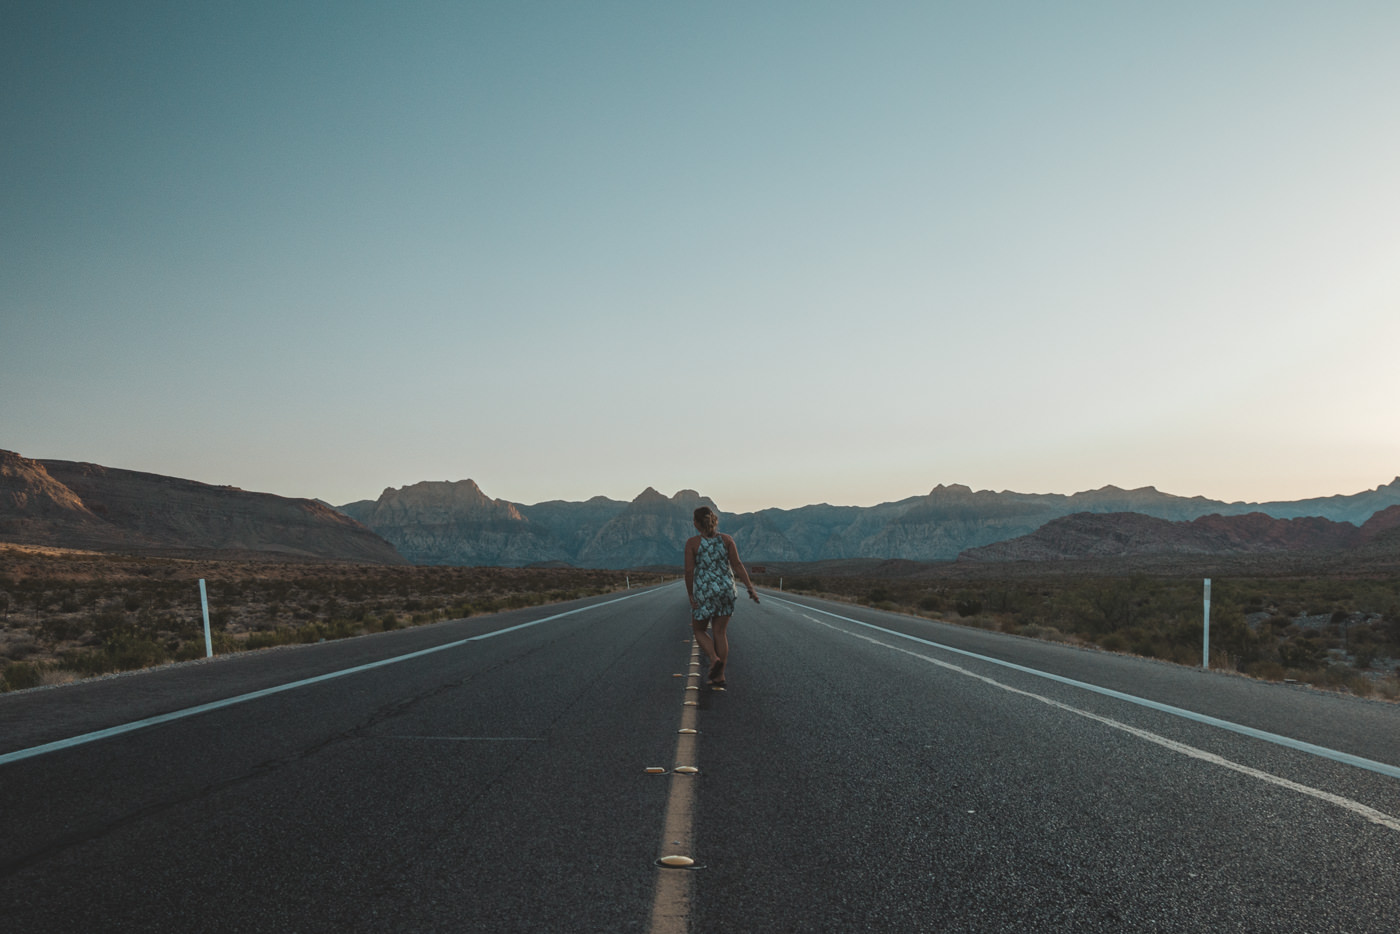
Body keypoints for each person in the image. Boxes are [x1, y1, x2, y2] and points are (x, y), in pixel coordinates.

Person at [684, 505, 758, 687]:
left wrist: (691, 595)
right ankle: (719, 675)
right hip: (726, 589)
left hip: (705, 591)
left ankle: (713, 657)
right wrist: (750, 588)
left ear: (696, 523)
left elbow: (689, 571)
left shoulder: (693, 543)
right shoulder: (727, 540)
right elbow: (738, 565)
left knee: (699, 629)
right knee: (720, 632)